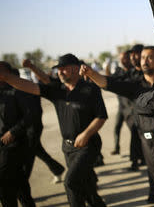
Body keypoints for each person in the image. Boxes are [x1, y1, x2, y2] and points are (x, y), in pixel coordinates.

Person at [0, 54, 107, 207]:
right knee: (86, 186)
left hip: (88, 145)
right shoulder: (57, 90)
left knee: (70, 182)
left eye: (64, 69)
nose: (60, 72)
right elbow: (30, 86)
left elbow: (101, 116)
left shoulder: (90, 89)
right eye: (58, 70)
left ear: (75, 69)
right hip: (68, 148)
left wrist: (86, 134)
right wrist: (5, 77)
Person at [80, 46, 154, 206]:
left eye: (149, 57)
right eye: (143, 58)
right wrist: (92, 73)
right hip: (146, 140)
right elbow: (110, 84)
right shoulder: (135, 84)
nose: (145, 61)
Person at [0, 62, 34, 207]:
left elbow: (31, 115)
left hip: (14, 145)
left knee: (4, 186)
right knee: (21, 186)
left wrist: (13, 132)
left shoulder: (17, 90)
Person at [108, 50, 134, 155]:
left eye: (124, 58)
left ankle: (135, 157)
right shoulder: (118, 71)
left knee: (134, 131)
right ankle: (116, 147)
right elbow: (109, 81)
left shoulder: (133, 71)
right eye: (121, 58)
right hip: (121, 106)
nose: (122, 60)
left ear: (129, 59)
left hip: (131, 107)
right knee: (116, 127)